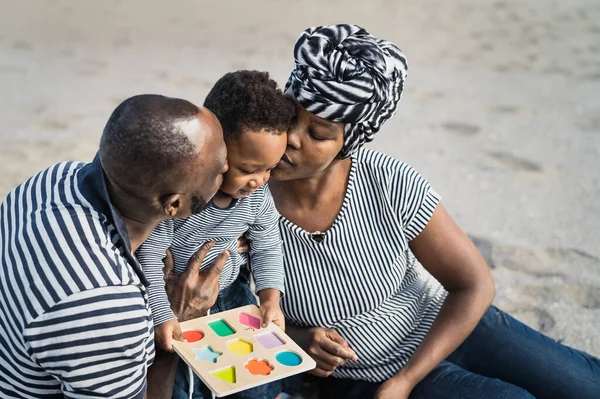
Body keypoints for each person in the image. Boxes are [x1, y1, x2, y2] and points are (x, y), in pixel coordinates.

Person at [267, 24, 600, 399]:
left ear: (350, 141)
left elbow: (474, 284)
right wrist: (297, 339)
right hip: (361, 379)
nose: (293, 138)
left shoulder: (387, 180)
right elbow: (231, 317)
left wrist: (405, 380)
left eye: (319, 133)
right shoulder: (248, 198)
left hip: (451, 329)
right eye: (291, 117)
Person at [0, 94, 229, 399]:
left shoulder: (52, 179)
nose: (228, 166)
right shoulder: (108, 312)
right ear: (174, 204)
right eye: (219, 169)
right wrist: (177, 323)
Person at [136, 71, 295, 399]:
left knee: (256, 381)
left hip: (232, 298)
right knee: (187, 385)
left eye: (270, 168)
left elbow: (267, 246)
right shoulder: (184, 198)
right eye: (248, 170)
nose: (260, 181)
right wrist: (162, 314)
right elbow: (149, 255)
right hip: (175, 300)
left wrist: (270, 300)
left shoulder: (257, 199)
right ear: (215, 151)